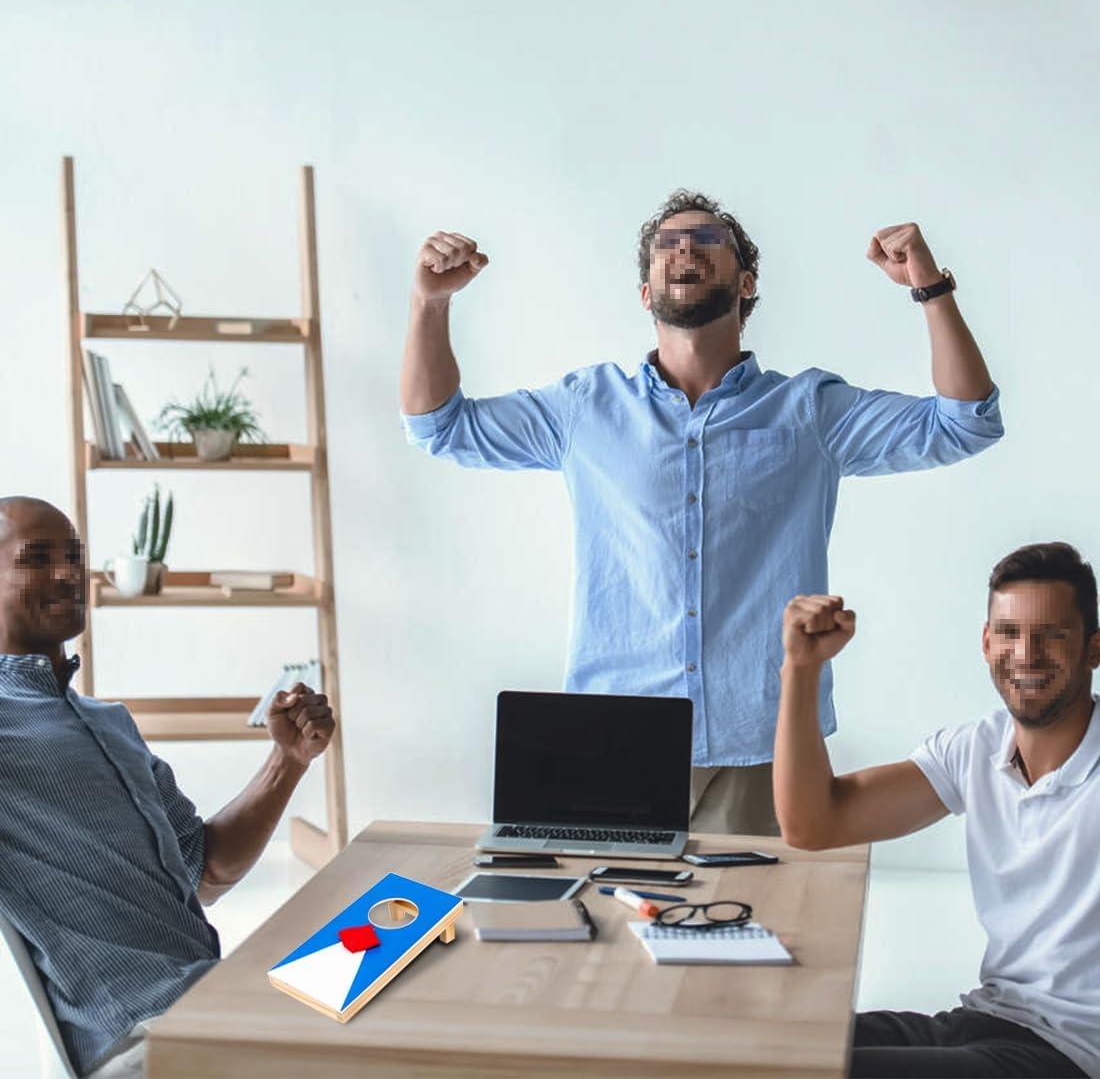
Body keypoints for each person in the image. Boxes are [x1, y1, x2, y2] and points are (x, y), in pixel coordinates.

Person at [400, 189, 1003, 836]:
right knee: (596, 930)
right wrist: (429, 303)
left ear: (746, 283)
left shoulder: (810, 412)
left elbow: (967, 422)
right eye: (667, 244)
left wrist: (930, 288)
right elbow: (438, 425)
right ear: (644, 292)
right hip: (611, 738)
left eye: (707, 241)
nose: (684, 249)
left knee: (756, 931)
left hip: (763, 744)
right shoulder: (585, 408)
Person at [0, 496, 336, 1078]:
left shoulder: (111, 724)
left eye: (75, 556)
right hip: (140, 1042)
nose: (66, 572)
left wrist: (288, 761)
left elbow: (206, 871)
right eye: (37, 558)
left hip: (213, 1005)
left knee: (406, 962)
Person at [774, 542, 1099, 1078]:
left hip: (1068, 1055)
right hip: (984, 1020)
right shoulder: (975, 750)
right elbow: (813, 824)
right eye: (1011, 634)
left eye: (1053, 635)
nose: (1027, 653)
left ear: (1093, 649)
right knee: (765, 1045)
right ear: (986, 641)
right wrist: (801, 669)